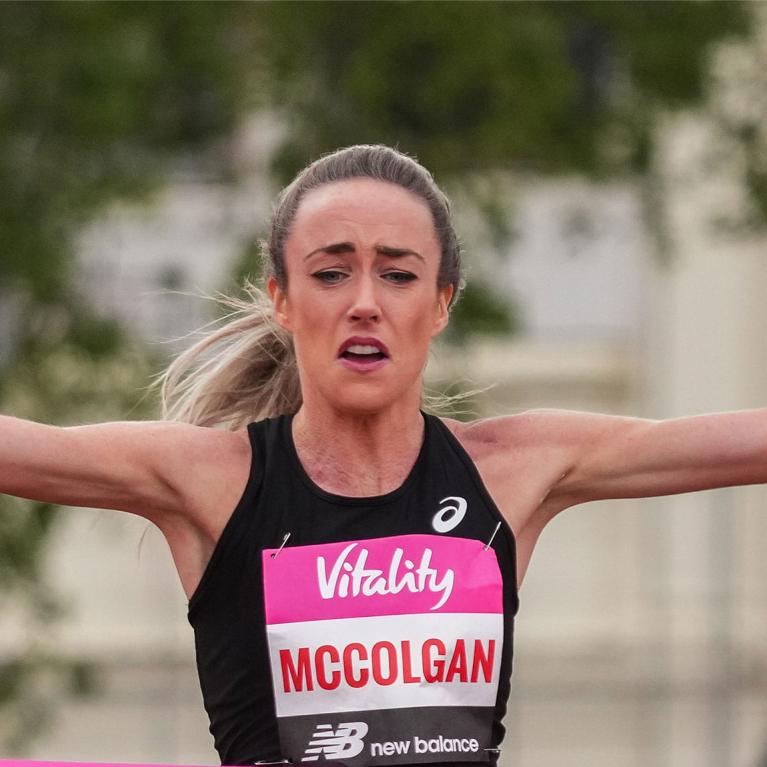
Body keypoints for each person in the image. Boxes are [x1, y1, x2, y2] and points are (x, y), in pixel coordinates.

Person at [1, 144, 765, 767]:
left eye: (397, 273)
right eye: (331, 272)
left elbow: (736, 442)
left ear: (440, 302)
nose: (364, 299)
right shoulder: (215, 479)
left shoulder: (513, 468)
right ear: (281, 298)